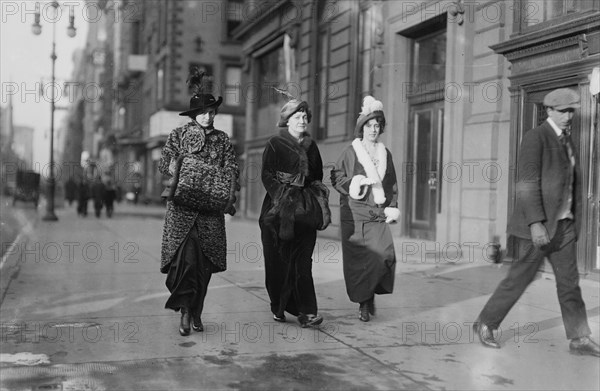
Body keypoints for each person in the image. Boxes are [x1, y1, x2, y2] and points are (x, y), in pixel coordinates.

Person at [474, 88, 599, 357]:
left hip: (563, 226)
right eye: (563, 111)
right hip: (537, 227)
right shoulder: (536, 137)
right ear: (549, 111)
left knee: (569, 282)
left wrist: (574, 222)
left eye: (571, 111)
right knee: (520, 278)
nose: (568, 116)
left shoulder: (567, 140)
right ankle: (486, 323)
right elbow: (527, 184)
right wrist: (535, 223)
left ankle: (579, 338)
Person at [159, 71, 239, 337]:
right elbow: (165, 163)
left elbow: (232, 169)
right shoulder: (177, 135)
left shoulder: (223, 139)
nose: (208, 116)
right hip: (182, 212)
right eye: (203, 112)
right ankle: (184, 313)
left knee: (204, 267)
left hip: (210, 213)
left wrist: (219, 181)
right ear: (193, 114)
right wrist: (183, 169)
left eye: (212, 111)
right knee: (186, 263)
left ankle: (197, 311)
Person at [259, 97, 331, 328]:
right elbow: (266, 175)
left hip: (305, 211)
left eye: (304, 117)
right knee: (277, 261)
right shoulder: (274, 144)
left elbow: (318, 176)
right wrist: (282, 194)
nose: (302, 121)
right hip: (277, 211)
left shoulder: (312, 146)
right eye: (297, 117)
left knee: (303, 263)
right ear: (287, 121)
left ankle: (308, 312)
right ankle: (278, 306)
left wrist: (315, 196)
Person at [330, 96, 399, 322]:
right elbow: (336, 176)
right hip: (355, 212)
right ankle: (364, 302)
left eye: (377, 125)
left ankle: (369, 294)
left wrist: (393, 207)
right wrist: (355, 183)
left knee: (385, 254)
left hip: (377, 213)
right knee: (360, 260)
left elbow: (392, 183)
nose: (373, 129)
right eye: (369, 125)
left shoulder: (385, 153)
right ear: (362, 128)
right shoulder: (352, 151)